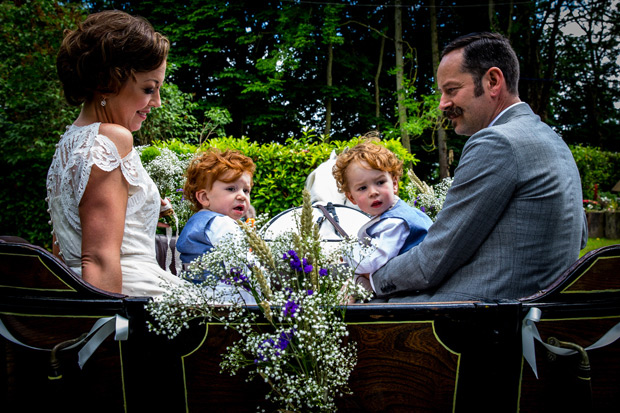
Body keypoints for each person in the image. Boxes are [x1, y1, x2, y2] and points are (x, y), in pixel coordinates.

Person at [369, 32, 588, 302]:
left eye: (451, 90)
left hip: (484, 317)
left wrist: (371, 281)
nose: (442, 104)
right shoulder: (553, 141)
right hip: (539, 311)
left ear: (493, 81)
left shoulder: (497, 142)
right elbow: (579, 238)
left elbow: (432, 262)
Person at [47, 10, 185, 297]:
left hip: (80, 288)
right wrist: (106, 333)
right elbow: (98, 258)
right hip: (128, 292)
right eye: (149, 88)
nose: (157, 102)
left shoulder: (67, 145)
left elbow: (61, 249)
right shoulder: (112, 139)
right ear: (109, 81)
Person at [332, 139, 433, 288]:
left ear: (394, 184)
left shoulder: (396, 222)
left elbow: (370, 262)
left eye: (380, 182)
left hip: (415, 289)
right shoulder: (394, 214)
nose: (373, 192)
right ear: (351, 197)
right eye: (362, 188)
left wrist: (345, 254)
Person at [176, 148, 255, 265]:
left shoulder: (197, 222)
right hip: (223, 283)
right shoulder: (222, 223)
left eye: (246, 190)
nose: (242, 196)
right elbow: (242, 264)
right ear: (204, 197)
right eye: (231, 189)